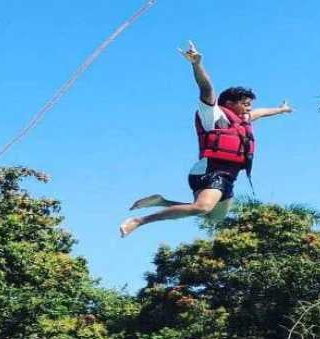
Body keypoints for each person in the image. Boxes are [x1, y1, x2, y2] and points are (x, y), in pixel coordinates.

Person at [119, 41, 292, 237]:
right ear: (229, 103)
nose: (249, 108)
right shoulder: (213, 114)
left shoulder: (241, 121)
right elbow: (206, 88)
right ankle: (139, 221)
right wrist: (196, 64)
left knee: (212, 218)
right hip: (211, 169)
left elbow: (261, 112)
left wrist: (281, 109)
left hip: (229, 175)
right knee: (202, 208)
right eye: (245, 104)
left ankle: (162, 201)